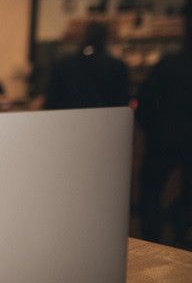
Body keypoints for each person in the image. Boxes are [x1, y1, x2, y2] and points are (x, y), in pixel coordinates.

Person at [136, 34, 192, 247]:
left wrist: (149, 128)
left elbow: (145, 100)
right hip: (181, 141)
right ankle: (182, 231)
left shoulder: (167, 65)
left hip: (162, 139)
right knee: (186, 195)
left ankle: (151, 239)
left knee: (150, 191)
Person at [44, 21, 130, 110]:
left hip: (71, 120)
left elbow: (51, 102)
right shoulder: (117, 67)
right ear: (105, 38)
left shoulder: (63, 65)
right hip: (105, 120)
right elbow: (122, 102)